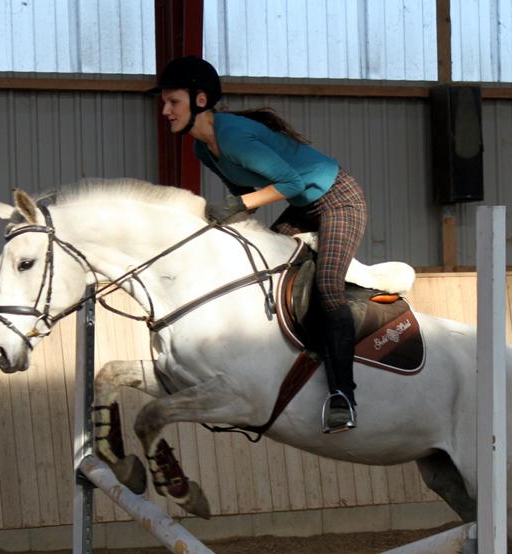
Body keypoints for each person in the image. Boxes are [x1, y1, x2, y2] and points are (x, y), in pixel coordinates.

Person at [151, 55, 368, 434]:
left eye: (173, 102)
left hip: (338, 201)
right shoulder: (203, 149)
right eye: (164, 103)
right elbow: (249, 194)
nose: (165, 110)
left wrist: (236, 206)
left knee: (328, 286)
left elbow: (290, 184)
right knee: (260, 271)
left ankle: (343, 396)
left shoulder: (232, 136)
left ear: (200, 101)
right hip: (304, 206)